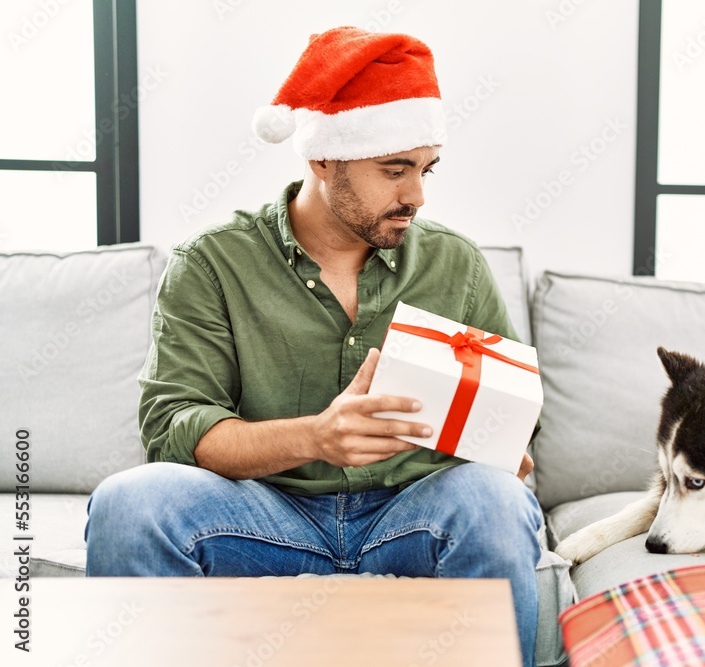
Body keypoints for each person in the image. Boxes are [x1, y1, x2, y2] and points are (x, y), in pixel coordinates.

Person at [84, 26, 543, 666]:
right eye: (394, 170)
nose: (415, 194)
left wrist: (507, 445)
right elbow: (172, 427)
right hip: (267, 515)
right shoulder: (214, 264)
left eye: (424, 169)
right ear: (324, 160)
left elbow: (516, 417)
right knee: (128, 503)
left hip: (412, 512)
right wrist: (316, 438)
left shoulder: (454, 265)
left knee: (499, 502)